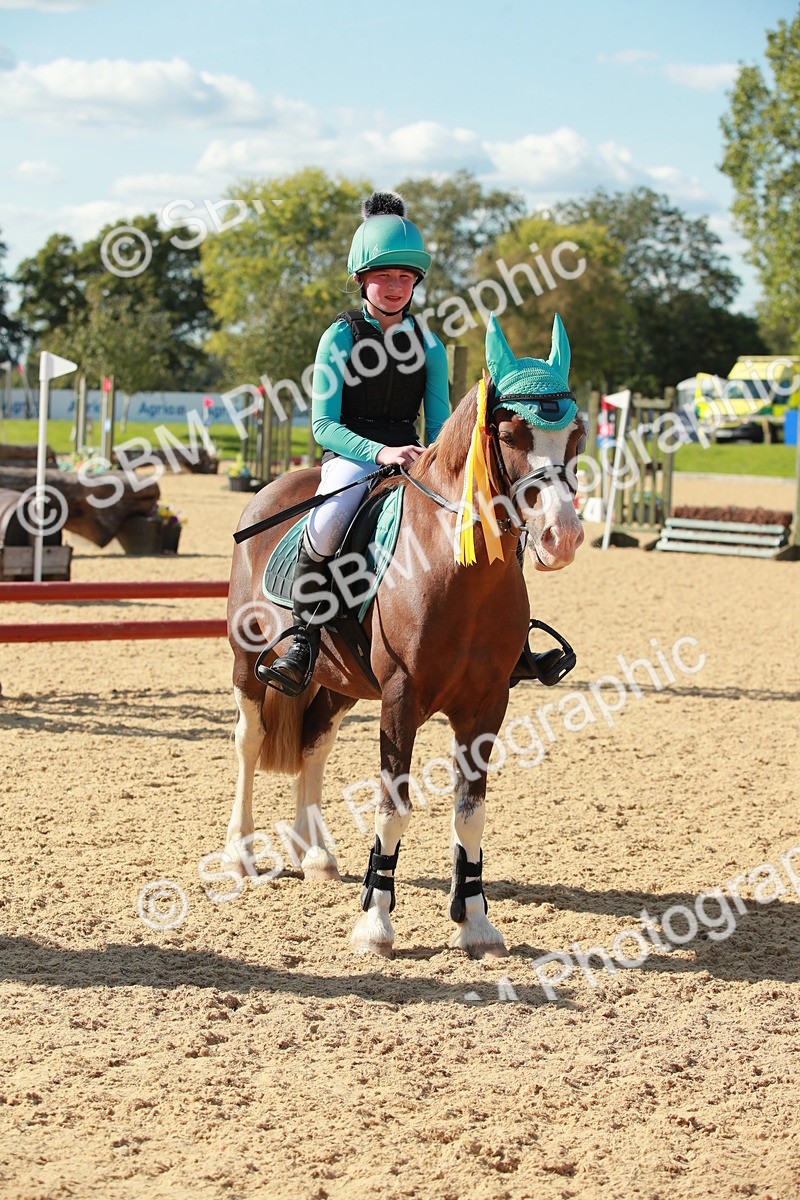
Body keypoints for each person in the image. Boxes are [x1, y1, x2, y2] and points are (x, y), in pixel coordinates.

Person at [259, 191, 450, 691]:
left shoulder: (429, 344)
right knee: (328, 520)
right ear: (362, 279)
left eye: (405, 278)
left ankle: (508, 641)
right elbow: (323, 426)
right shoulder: (339, 336)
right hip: (351, 454)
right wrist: (380, 452)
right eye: (384, 277)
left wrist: (438, 461)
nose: (395, 287)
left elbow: (440, 424)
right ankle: (302, 638)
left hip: (414, 456)